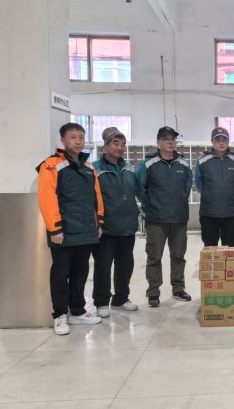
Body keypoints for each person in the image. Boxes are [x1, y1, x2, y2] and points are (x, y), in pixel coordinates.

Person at [36, 122, 103, 335]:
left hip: (86, 230)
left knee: (80, 272)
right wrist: (55, 228)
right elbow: (47, 198)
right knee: (60, 273)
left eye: (81, 137)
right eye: (73, 137)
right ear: (63, 140)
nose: (78, 141)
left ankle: (77, 311)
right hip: (63, 231)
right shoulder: (51, 165)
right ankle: (60, 315)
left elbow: (96, 197)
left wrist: (99, 222)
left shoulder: (88, 167)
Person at [136, 126, 193, 307]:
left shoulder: (184, 164)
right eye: (166, 139)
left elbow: (187, 188)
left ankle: (178, 288)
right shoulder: (147, 164)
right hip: (156, 220)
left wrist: (179, 203)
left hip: (179, 219)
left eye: (173, 139)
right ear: (158, 142)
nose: (170, 142)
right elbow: (139, 188)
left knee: (179, 256)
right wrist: (150, 205)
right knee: (154, 257)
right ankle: (153, 292)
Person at [91, 127, 140, 318]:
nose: (120, 147)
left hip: (127, 227)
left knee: (125, 265)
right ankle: (101, 301)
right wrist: (96, 223)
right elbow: (90, 199)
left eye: (123, 144)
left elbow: (136, 192)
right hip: (106, 228)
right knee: (103, 266)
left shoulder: (129, 168)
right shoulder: (95, 169)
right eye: (115, 143)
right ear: (106, 145)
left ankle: (121, 298)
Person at [195, 127, 234, 247]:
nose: (221, 143)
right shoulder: (202, 160)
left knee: (229, 247)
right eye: (217, 140)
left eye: (224, 140)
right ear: (212, 141)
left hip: (230, 212)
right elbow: (199, 184)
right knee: (210, 247)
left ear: (228, 142)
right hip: (209, 213)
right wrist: (210, 195)